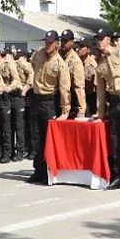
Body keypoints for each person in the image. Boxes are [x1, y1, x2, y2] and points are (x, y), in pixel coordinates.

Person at [94, 28, 120, 192]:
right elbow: (100, 93)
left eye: (101, 38)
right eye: (97, 39)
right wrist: (100, 113)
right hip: (113, 103)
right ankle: (118, 174)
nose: (99, 42)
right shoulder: (101, 65)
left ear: (108, 40)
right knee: (116, 141)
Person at [27, 30, 70, 184]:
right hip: (35, 99)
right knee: (35, 137)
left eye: (50, 42)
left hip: (49, 102)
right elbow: (32, 65)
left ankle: (48, 172)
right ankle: (38, 170)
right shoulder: (38, 54)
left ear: (57, 44)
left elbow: (65, 88)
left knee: (47, 139)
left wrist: (65, 110)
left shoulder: (59, 63)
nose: (47, 45)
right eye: (46, 42)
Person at [59, 30, 86, 119]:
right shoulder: (58, 54)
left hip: (70, 101)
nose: (63, 43)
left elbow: (79, 87)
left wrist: (81, 110)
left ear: (72, 43)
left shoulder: (75, 61)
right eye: (62, 40)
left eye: (66, 41)